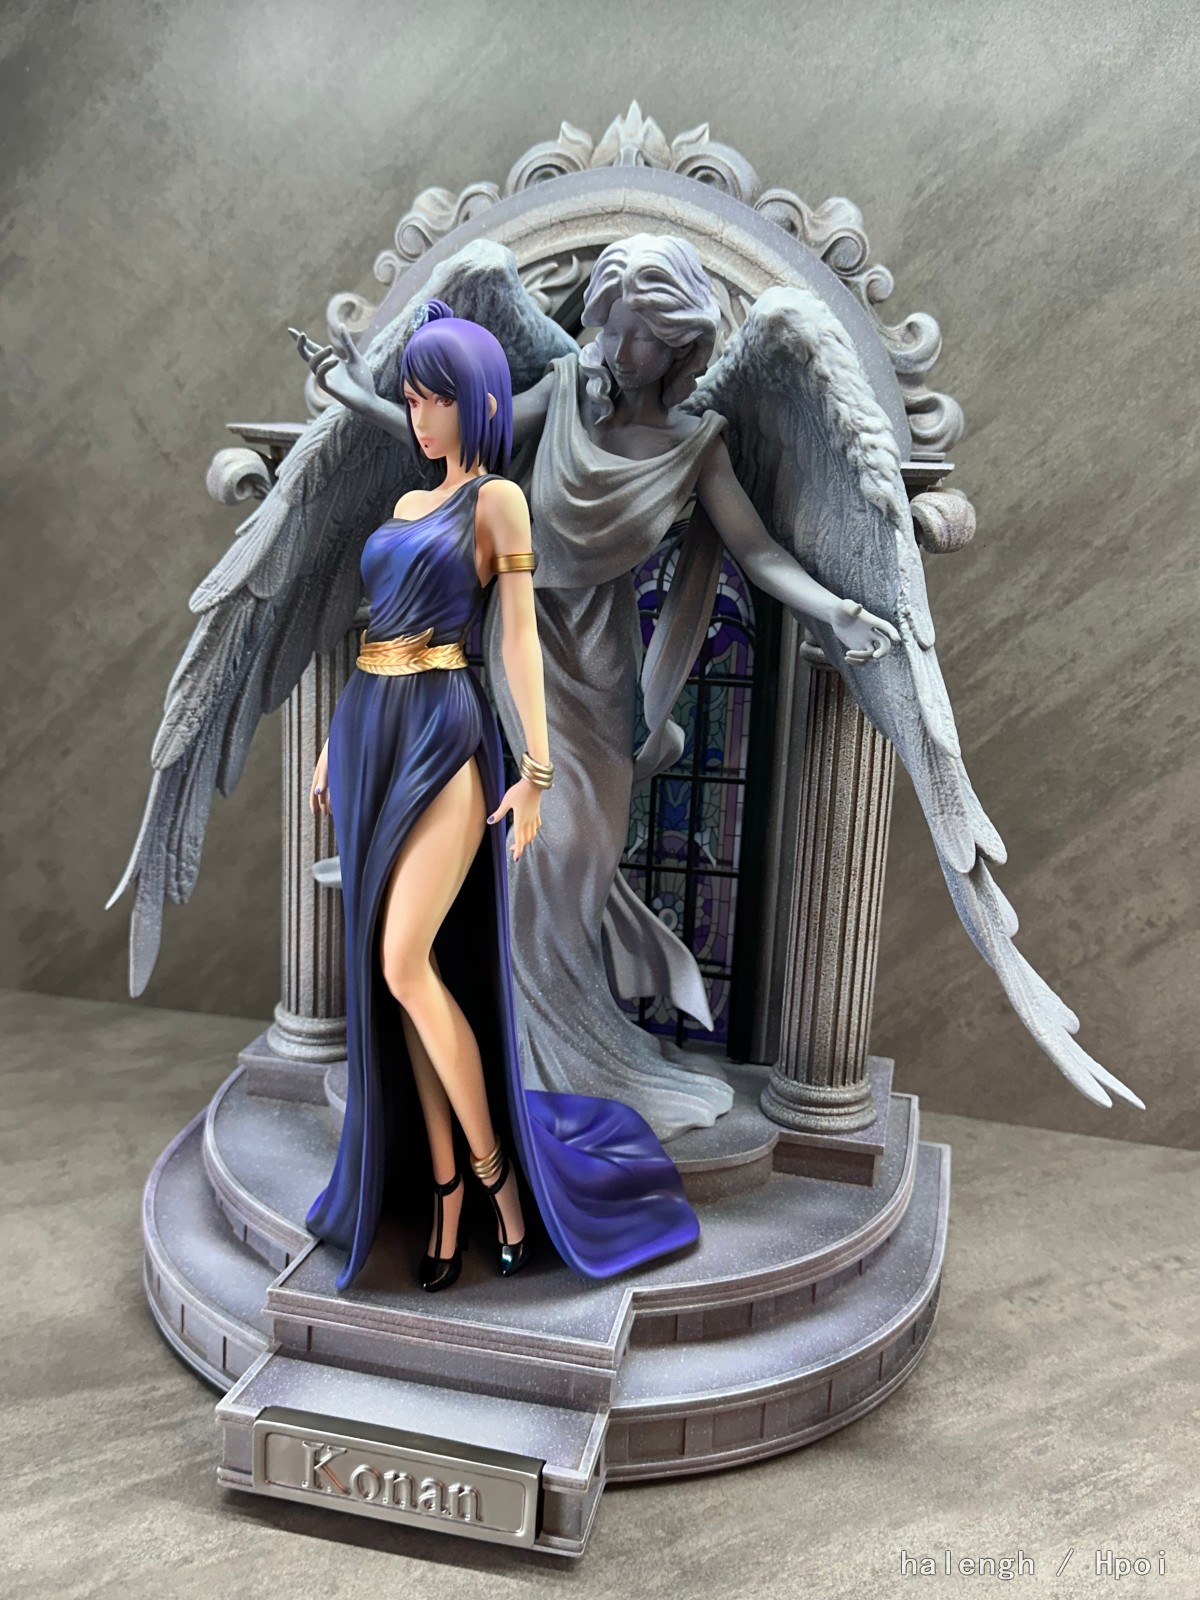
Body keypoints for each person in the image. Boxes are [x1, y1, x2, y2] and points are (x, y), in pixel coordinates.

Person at [296, 300, 700, 1292]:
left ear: (473, 401)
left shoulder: (498, 502)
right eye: (410, 398)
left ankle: (498, 1182)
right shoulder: (404, 505)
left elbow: (517, 639)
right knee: (401, 978)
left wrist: (537, 770)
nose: (418, 414)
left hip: (443, 732)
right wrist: (331, 745)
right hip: (372, 729)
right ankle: (445, 1193)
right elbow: (372, 635)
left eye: (433, 397)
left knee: (403, 964)